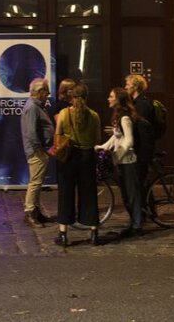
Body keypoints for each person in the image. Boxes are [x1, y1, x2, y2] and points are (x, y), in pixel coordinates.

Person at [54, 83, 102, 246]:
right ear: (87, 98)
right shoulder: (94, 115)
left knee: (65, 193)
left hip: (69, 156)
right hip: (87, 156)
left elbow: (58, 134)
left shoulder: (64, 114)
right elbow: (97, 139)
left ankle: (63, 234)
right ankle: (94, 232)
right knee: (89, 193)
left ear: (71, 97)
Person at [96, 87, 143, 237]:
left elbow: (129, 140)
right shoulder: (119, 116)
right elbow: (116, 137)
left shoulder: (125, 118)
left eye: (111, 96)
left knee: (132, 194)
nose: (108, 99)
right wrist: (102, 147)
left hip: (128, 161)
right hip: (122, 161)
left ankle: (137, 225)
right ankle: (134, 222)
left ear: (118, 100)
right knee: (126, 194)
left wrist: (118, 155)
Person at [20, 78, 54, 228]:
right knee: (35, 182)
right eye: (46, 91)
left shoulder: (36, 106)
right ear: (40, 92)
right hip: (36, 151)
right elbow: (31, 133)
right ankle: (30, 213)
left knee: (38, 182)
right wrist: (40, 149)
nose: (48, 94)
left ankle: (36, 211)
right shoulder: (32, 107)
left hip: (39, 150)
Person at [125, 74, 156, 191]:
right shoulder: (139, 102)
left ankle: (145, 208)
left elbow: (141, 128)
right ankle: (147, 207)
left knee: (141, 181)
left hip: (142, 149)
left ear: (136, 87)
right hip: (142, 147)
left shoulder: (141, 104)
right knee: (142, 181)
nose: (126, 87)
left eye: (128, 84)